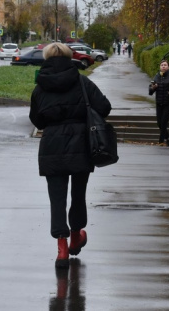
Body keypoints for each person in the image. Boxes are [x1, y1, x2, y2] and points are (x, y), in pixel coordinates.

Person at [29, 42, 112, 269]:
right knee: (78, 194)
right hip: (81, 144)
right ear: (69, 56)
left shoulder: (40, 87)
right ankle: (76, 237)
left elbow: (37, 120)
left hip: (52, 146)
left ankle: (62, 248)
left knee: (57, 198)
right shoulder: (82, 82)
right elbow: (104, 107)